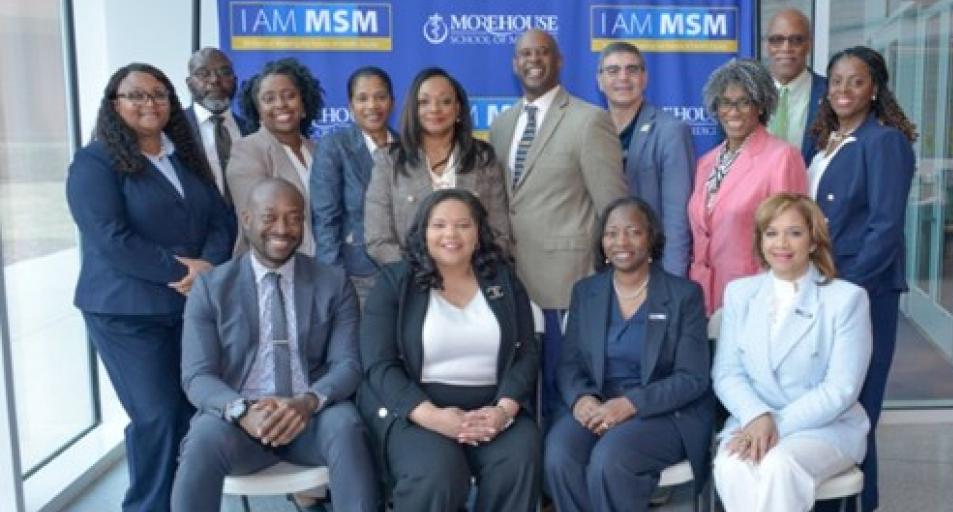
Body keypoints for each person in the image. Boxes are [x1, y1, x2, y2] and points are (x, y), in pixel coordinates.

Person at [66, 63, 234, 512]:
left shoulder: (184, 155)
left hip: (189, 309)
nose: (150, 103)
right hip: (127, 313)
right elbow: (111, 238)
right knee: (156, 418)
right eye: (136, 95)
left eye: (159, 94)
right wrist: (181, 270)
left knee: (187, 413)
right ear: (114, 104)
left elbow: (222, 218)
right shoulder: (94, 162)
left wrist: (210, 265)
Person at [172, 178, 377, 512]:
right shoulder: (211, 288)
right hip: (238, 419)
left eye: (294, 217)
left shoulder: (333, 282)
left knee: (347, 426)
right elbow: (197, 376)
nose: (282, 228)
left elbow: (348, 365)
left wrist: (306, 403)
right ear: (247, 219)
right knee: (201, 441)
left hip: (312, 415)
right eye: (270, 217)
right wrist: (241, 411)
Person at [358, 189, 540, 512]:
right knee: (438, 473)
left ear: (478, 233)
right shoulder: (395, 282)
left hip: (492, 409)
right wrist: (432, 416)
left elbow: (526, 354)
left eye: (463, 225)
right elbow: (379, 364)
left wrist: (504, 411)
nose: (451, 234)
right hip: (417, 411)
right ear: (423, 232)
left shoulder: (504, 281)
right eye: (439, 225)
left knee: (519, 456)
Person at [489, 29, 628, 419]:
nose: (534, 60)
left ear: (560, 60)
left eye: (543, 52)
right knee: (520, 397)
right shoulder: (502, 124)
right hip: (512, 283)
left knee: (562, 394)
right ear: (515, 64)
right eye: (525, 54)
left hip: (567, 283)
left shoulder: (589, 120)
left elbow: (613, 207)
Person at [544, 197, 714, 512]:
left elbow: (693, 378)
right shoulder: (587, 292)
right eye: (611, 233)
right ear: (602, 242)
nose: (621, 241)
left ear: (651, 238)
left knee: (611, 458)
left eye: (633, 231)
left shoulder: (683, 295)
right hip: (597, 403)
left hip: (662, 412)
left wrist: (629, 405)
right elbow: (569, 364)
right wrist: (582, 400)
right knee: (560, 455)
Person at [807, 46, 917, 512]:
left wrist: (844, 289)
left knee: (858, 404)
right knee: (832, 400)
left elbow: (885, 227)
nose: (843, 90)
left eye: (855, 81)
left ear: (875, 89)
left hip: (863, 292)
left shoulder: (884, 141)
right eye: (835, 81)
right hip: (825, 288)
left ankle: (860, 503)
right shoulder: (827, 139)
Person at [712, 193, 872, 512]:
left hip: (824, 427)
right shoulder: (741, 293)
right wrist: (757, 417)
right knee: (732, 464)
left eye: (794, 233)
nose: (781, 243)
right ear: (760, 241)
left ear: (813, 242)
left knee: (778, 465)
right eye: (771, 233)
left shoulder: (847, 300)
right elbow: (727, 373)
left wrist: (774, 425)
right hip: (751, 419)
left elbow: (841, 389)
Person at [688, 58, 808, 315]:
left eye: (744, 102)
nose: (733, 111)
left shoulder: (782, 157)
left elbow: (792, 236)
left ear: (761, 106)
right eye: (725, 102)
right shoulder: (706, 162)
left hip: (756, 296)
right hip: (704, 293)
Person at [364, 67, 511, 265]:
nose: (434, 109)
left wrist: (465, 274)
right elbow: (378, 240)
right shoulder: (389, 160)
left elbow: (499, 233)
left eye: (445, 101)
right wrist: (424, 273)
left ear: (458, 110)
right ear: (414, 110)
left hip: (474, 280)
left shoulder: (483, 158)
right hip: (412, 282)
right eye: (424, 102)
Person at [596, 42, 696, 277]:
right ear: (599, 80)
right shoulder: (590, 129)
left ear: (645, 78)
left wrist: (672, 283)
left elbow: (677, 218)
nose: (623, 77)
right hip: (601, 271)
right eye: (613, 71)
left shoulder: (670, 131)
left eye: (632, 70)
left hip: (653, 270)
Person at [310, 66, 397, 304]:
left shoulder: (408, 148)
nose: (372, 106)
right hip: (356, 276)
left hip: (404, 274)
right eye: (362, 98)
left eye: (380, 97)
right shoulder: (334, 147)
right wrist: (332, 281)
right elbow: (325, 220)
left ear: (392, 102)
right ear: (350, 106)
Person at [227, 57, 324, 256]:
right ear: (258, 112)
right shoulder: (247, 150)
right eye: (269, 99)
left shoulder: (320, 150)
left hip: (325, 271)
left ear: (304, 105)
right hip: (276, 269)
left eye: (289, 95)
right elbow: (261, 223)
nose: (281, 104)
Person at [183, 47, 253, 206]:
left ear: (235, 80)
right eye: (203, 73)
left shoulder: (251, 130)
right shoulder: (172, 129)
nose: (215, 80)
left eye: (224, 72)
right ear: (189, 83)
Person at [764, 9, 827, 165]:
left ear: (809, 45)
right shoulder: (747, 94)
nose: (786, 48)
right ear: (766, 45)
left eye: (796, 40)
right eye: (777, 39)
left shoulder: (831, 94)